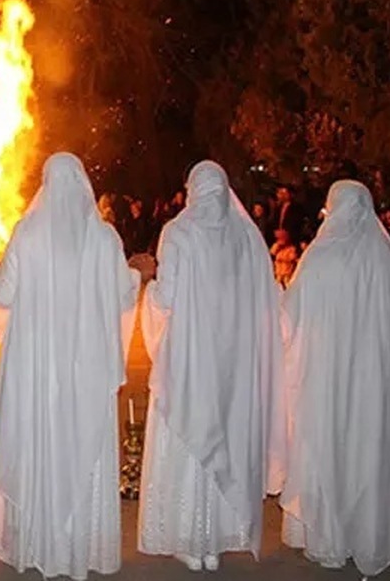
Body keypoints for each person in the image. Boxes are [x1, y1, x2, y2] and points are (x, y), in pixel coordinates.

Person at [0, 154, 144, 578]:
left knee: (41, 443)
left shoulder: (28, 231)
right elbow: (124, 297)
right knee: (81, 446)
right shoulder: (104, 237)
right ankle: (77, 550)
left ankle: (38, 545)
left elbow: (4, 294)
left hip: (37, 367)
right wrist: (134, 279)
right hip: (86, 368)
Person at [138, 161, 285, 572]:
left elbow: (165, 299)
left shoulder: (178, 232)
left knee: (189, 435)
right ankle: (218, 538)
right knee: (228, 434)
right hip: (234, 361)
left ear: (191, 189)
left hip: (189, 357)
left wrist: (148, 287)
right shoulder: (247, 236)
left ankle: (191, 539)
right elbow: (264, 299)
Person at [279, 181, 390, 575]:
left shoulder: (321, 256)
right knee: (371, 448)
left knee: (330, 445)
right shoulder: (389, 259)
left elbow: (290, 316)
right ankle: (372, 532)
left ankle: (331, 534)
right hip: (376, 378)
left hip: (328, 377)